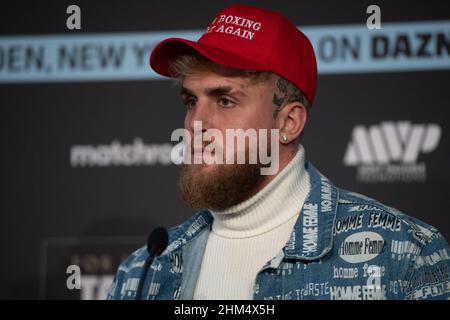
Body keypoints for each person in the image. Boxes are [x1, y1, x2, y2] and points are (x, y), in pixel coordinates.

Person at [108, 4, 450, 300]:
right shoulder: (143, 273)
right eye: (191, 101)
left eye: (225, 101)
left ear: (288, 122)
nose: (195, 123)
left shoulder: (404, 255)